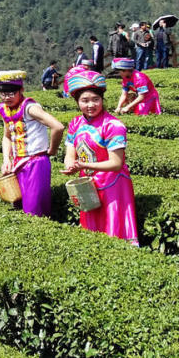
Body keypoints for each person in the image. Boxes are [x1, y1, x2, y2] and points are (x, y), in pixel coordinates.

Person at [61, 68, 138, 245]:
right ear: (77, 102)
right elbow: (70, 153)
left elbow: (116, 163)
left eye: (95, 100)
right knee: (91, 233)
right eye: (85, 100)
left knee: (113, 232)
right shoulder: (75, 123)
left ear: (102, 100)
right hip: (86, 186)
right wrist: (70, 165)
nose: (90, 105)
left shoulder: (113, 125)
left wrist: (82, 166)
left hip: (112, 185)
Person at [0, 70, 64, 218]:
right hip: (18, 163)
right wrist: (6, 160)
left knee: (34, 210)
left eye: (11, 93)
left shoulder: (30, 108)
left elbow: (58, 126)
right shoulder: (4, 109)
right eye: (3, 93)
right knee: (19, 206)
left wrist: (52, 149)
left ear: (21, 90)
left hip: (36, 162)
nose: (7, 97)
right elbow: (7, 136)